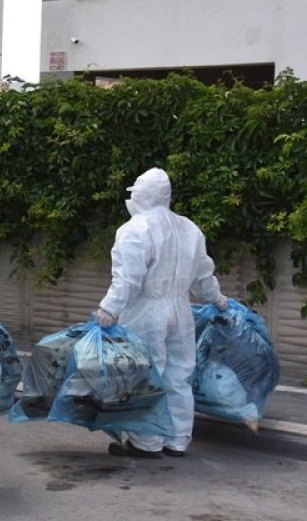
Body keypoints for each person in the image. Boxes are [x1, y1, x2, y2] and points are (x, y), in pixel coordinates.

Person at [94, 167, 229, 459]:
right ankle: (177, 439)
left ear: (142, 194)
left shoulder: (134, 229)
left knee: (146, 374)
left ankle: (146, 442)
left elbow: (129, 278)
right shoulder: (190, 228)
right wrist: (217, 298)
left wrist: (110, 308)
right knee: (179, 375)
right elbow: (204, 274)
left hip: (146, 310)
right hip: (181, 309)